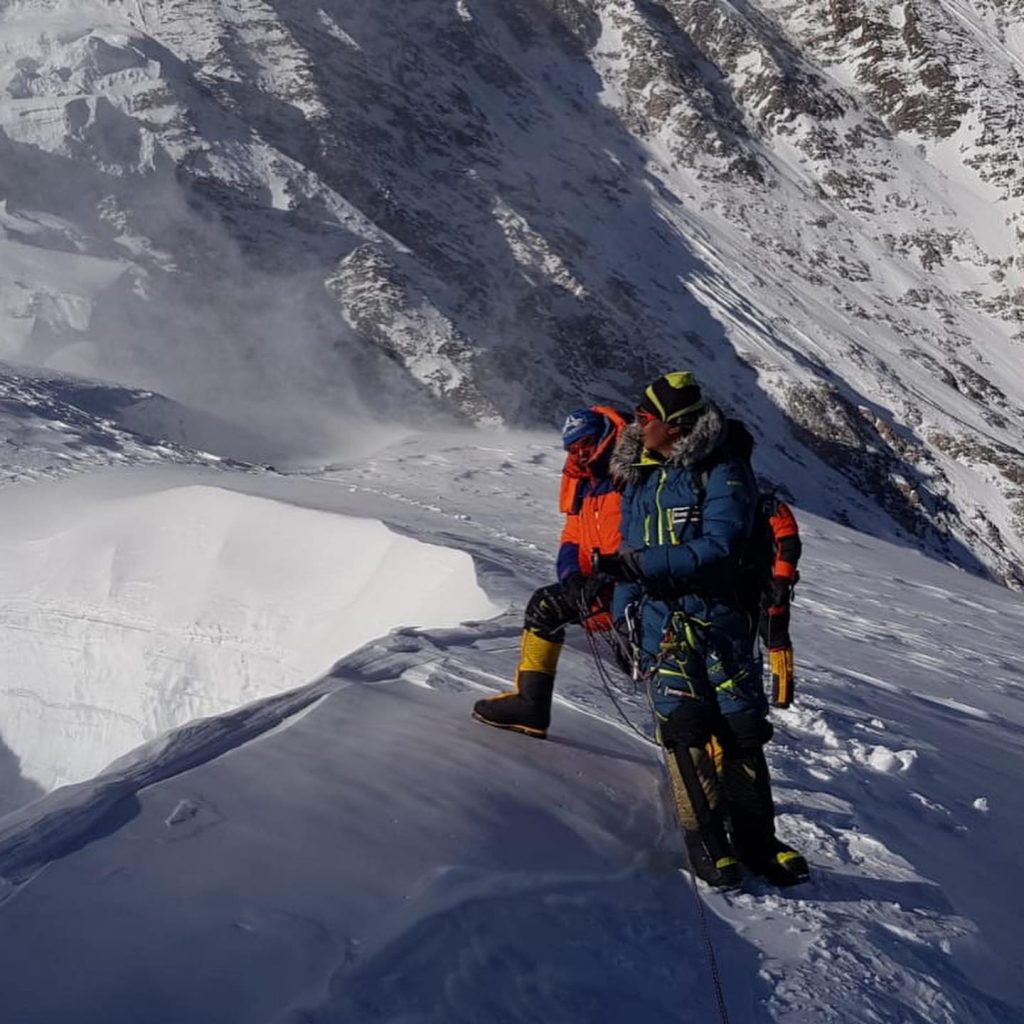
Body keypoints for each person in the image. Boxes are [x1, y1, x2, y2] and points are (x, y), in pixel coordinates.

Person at [599, 371, 808, 889]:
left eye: (645, 417)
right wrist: (624, 614)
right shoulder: (640, 474)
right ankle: (707, 840)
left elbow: (721, 545)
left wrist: (640, 568)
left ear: (674, 425)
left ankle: (757, 842)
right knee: (684, 729)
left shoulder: (723, 470)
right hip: (660, 620)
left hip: (721, 618)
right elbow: (629, 548)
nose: (636, 424)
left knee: (741, 730)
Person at [473, 405, 629, 738]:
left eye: (585, 442)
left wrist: (615, 573)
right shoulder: (584, 483)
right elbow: (572, 535)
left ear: (604, 435)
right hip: (598, 588)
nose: (580, 452)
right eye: (572, 448)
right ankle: (531, 705)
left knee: (666, 677)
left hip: (635, 586)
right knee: (544, 607)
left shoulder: (632, 473)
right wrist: (572, 576)